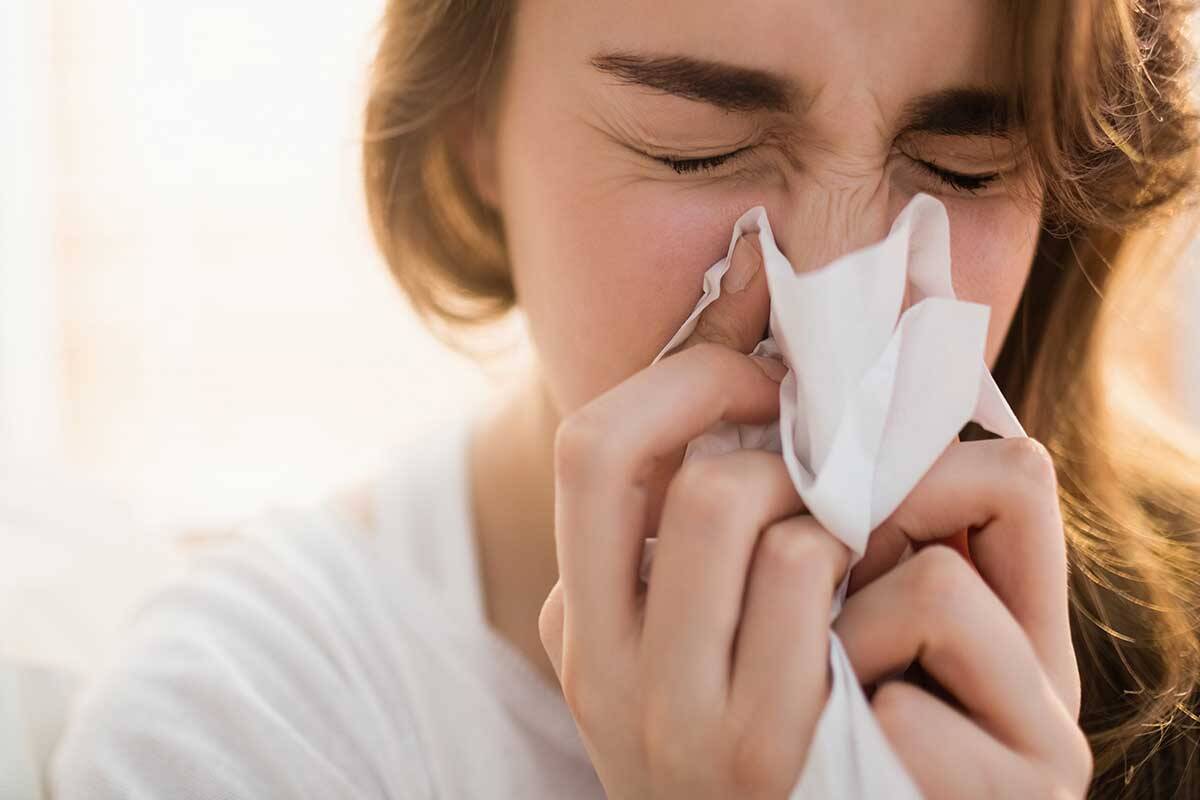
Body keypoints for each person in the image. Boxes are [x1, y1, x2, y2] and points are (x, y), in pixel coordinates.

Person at [52, 0, 1200, 797]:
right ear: (468, 139)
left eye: (964, 167)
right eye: (698, 150)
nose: (834, 312)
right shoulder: (253, 725)